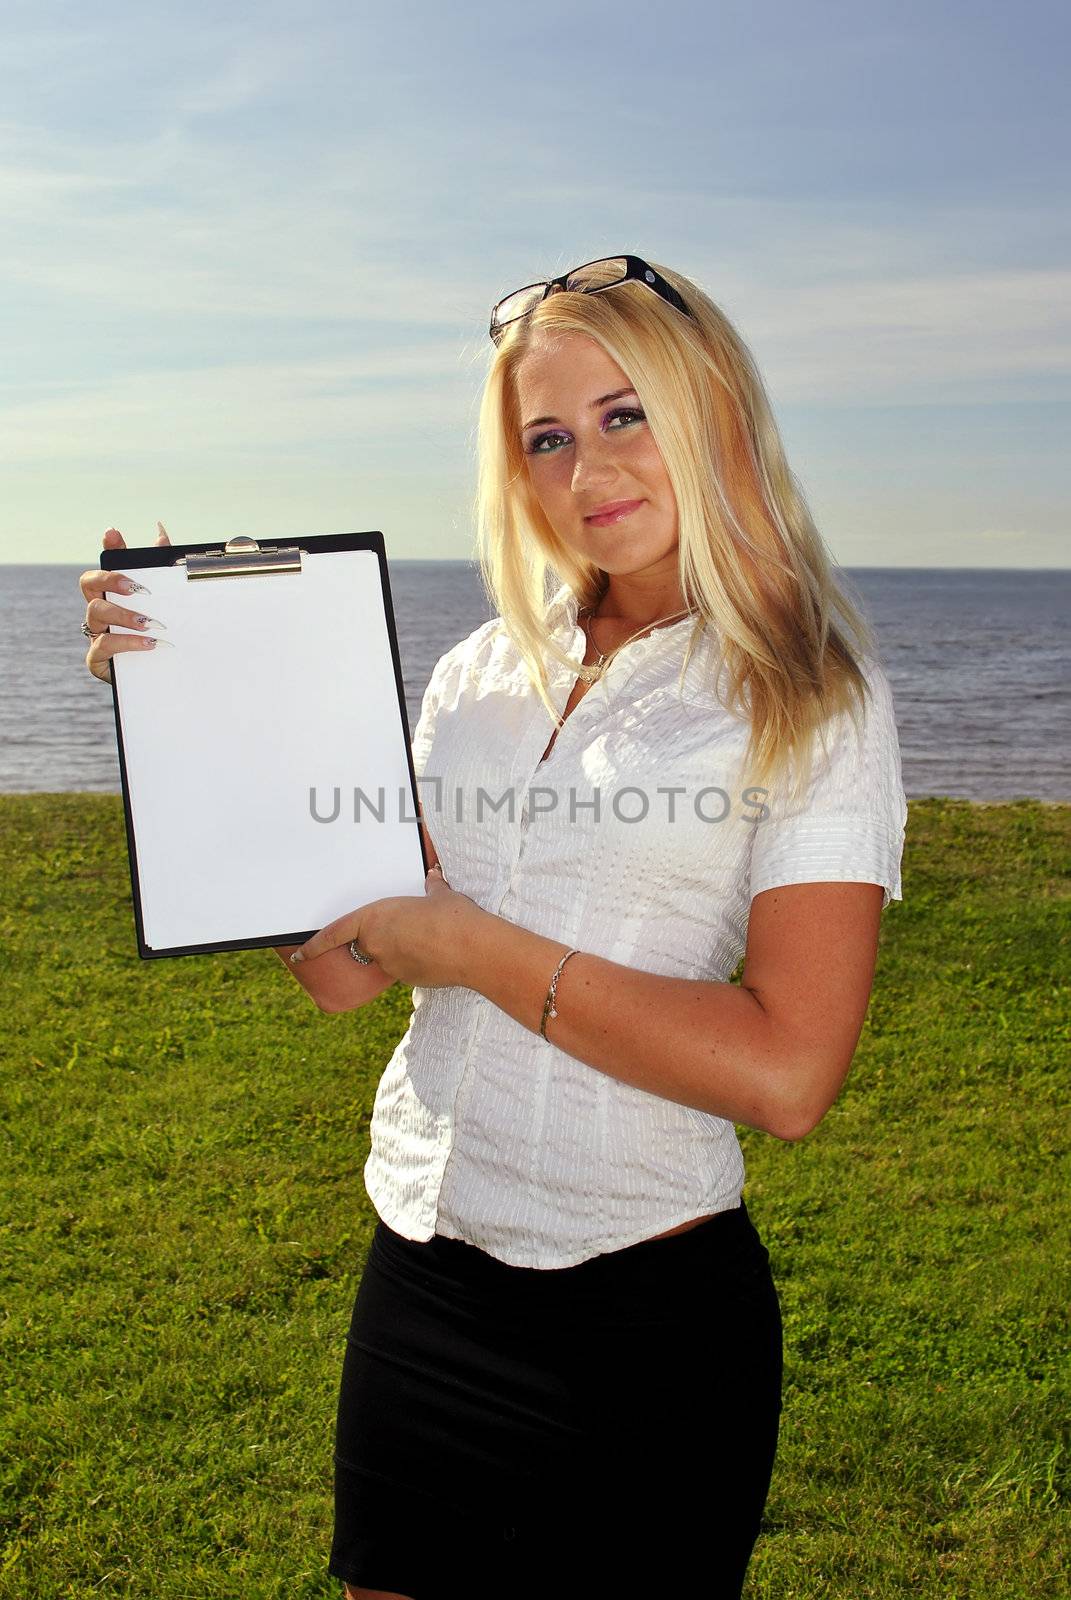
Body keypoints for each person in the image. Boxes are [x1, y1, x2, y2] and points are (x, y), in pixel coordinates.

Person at [79, 254, 908, 1599]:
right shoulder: (477, 675)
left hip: (647, 1319)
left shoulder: (811, 694)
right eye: (546, 437)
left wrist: (469, 950)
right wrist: (189, 702)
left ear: (719, 414)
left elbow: (788, 1073)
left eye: (625, 414)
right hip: (425, 1281)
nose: (590, 470)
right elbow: (346, 971)